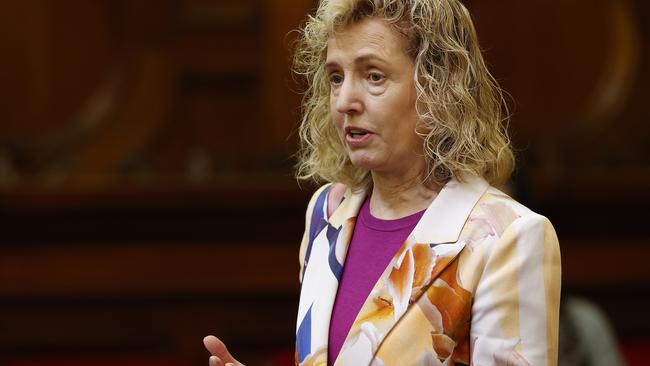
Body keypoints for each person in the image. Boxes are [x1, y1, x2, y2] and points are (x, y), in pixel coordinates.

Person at [204, 0, 561, 365]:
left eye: (373, 76)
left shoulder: (509, 237)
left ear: (438, 88)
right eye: (336, 77)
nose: (344, 102)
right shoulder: (326, 211)